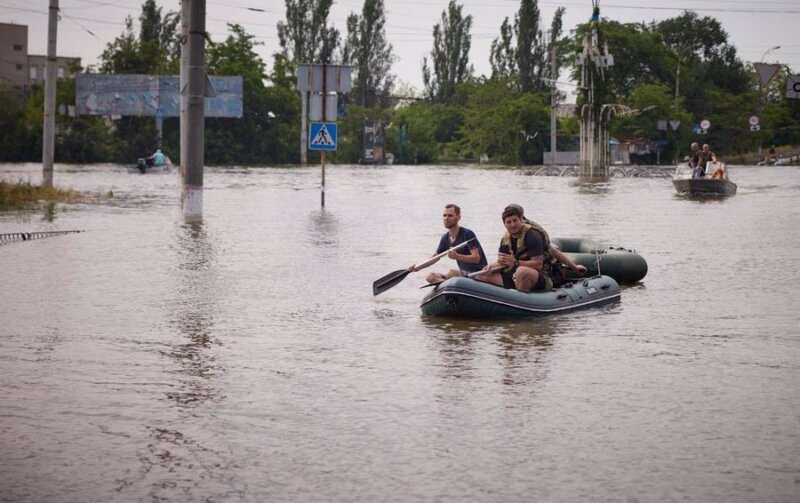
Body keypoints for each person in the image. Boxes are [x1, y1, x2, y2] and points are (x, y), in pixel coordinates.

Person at [475, 204, 586, 292]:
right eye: (509, 222)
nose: (512, 225)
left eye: (515, 220)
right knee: (483, 276)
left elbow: (538, 264)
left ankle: (521, 302)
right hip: (515, 275)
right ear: (504, 224)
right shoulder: (505, 239)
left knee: (521, 271)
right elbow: (503, 262)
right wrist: (491, 266)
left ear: (521, 219)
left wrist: (574, 267)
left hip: (542, 276)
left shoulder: (532, 235)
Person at [410, 203, 487, 284]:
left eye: (450, 215)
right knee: (430, 276)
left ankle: (449, 285)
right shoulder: (446, 238)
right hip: (463, 274)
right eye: (444, 215)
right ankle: (447, 286)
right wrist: (417, 267)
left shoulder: (467, 234)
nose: (446, 218)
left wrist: (457, 256)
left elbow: (476, 258)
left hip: (477, 273)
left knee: (452, 273)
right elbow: (435, 257)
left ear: (458, 218)